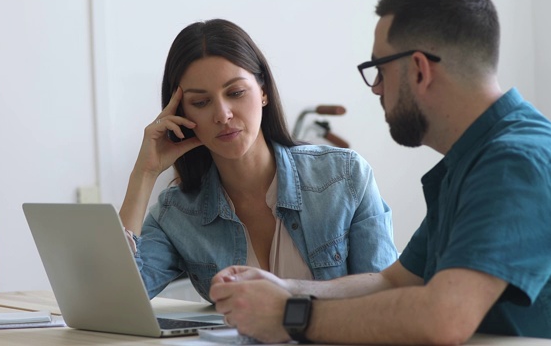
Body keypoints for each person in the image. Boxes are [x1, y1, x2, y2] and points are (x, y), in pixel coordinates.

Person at [209, 0, 551, 344]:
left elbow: (444, 318)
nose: (376, 88)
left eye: (379, 70)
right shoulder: (475, 159)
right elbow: (396, 281)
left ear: (419, 69)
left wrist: (290, 317)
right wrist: (286, 289)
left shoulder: (519, 163)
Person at [118, 19, 398, 303]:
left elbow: (387, 297)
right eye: (201, 102)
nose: (223, 114)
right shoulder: (178, 213)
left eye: (236, 93)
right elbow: (116, 299)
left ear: (263, 91)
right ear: (182, 114)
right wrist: (144, 174)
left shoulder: (345, 177)